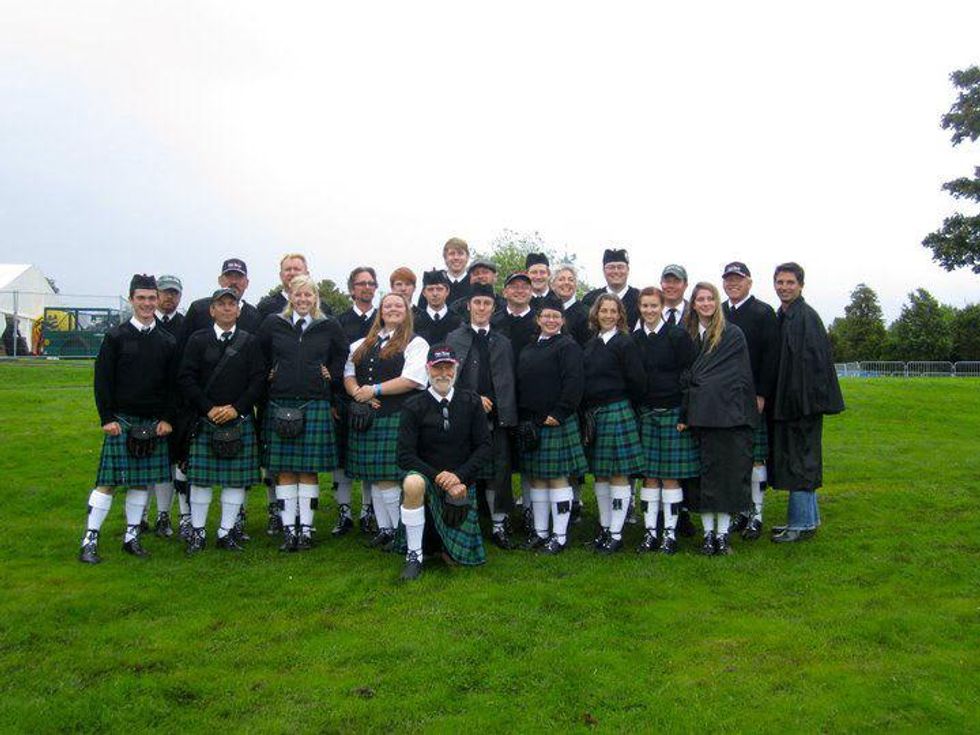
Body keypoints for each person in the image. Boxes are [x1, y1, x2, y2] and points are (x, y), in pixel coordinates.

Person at [78, 274, 177, 563]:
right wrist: (106, 417)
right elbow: (102, 380)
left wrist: (167, 418)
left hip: (152, 422)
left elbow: (173, 386)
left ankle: (131, 537)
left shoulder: (167, 341)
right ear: (132, 299)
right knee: (108, 482)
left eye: (151, 298)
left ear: (157, 300)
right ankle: (89, 539)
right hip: (121, 421)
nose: (147, 303)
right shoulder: (116, 337)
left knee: (140, 483)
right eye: (141, 298)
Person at [258, 274, 349, 551]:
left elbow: (343, 354)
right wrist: (269, 373)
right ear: (290, 296)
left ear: (315, 297)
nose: (303, 299)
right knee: (285, 470)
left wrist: (330, 375)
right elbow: (259, 353)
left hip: (315, 401)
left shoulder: (328, 325)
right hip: (280, 401)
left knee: (308, 470)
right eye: (298, 295)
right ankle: (289, 530)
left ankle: (306, 530)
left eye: (308, 295)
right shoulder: (274, 324)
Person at [395, 345, 493, 580]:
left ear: (455, 369)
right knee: (412, 484)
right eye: (437, 368)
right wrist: (440, 477)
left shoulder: (470, 401)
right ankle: (415, 554)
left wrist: (459, 477)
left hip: (461, 481)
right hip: (427, 477)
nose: (443, 373)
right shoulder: (414, 405)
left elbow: (485, 446)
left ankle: (445, 549)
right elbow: (404, 455)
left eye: (448, 367)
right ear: (428, 369)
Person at [178, 288, 265, 553]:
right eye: (222, 304)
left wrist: (237, 408)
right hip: (206, 419)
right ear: (212, 310)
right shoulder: (197, 339)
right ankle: (198, 532)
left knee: (235, 481)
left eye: (232, 304)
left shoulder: (250, 341)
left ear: (238, 310)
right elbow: (186, 378)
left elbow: (258, 379)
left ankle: (226, 532)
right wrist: (208, 408)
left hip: (238, 418)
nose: (227, 308)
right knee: (201, 481)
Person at [343, 293, 429, 548]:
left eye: (398, 305)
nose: (392, 309)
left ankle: (400, 531)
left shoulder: (416, 343)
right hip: (369, 417)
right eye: (387, 305)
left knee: (388, 478)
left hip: (396, 417)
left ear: (407, 311)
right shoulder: (361, 343)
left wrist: (375, 390)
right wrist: (359, 393)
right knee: (375, 476)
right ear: (380, 311)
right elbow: (348, 374)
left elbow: (413, 380)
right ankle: (385, 530)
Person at [769, 262, 845, 543]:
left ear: (801, 285)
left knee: (800, 462)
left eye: (790, 282)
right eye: (780, 282)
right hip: (792, 403)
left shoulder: (805, 317)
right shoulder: (787, 314)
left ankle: (800, 524)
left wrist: (802, 404)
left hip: (802, 405)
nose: (784, 287)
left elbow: (811, 366)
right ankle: (808, 519)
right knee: (800, 459)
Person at [680, 282, 757, 556]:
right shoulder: (685, 334)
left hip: (725, 417)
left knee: (724, 479)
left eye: (709, 298)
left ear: (717, 302)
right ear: (693, 303)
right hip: (695, 417)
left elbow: (735, 376)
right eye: (699, 299)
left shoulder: (732, 334)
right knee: (701, 480)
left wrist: (699, 385)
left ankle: (722, 535)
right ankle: (707, 535)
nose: (705, 303)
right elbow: (681, 373)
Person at [446, 282, 519, 549]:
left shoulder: (503, 342)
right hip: (464, 415)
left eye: (487, 303)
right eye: (477, 302)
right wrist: (473, 399)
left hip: (497, 416)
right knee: (466, 471)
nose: (481, 307)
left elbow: (509, 379)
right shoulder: (454, 338)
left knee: (497, 472)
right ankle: (466, 523)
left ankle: (499, 527)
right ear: (469, 306)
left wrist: (505, 410)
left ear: (493, 307)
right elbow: (446, 378)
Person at [515, 295, 587, 554]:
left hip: (556, 422)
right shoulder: (530, 347)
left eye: (556, 316)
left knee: (556, 479)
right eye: (546, 316)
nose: (551, 320)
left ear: (562, 320)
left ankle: (559, 536)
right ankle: (540, 532)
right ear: (538, 319)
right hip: (532, 422)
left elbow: (574, 383)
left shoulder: (568, 346)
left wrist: (560, 412)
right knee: (537, 480)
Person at [633, 287, 698, 554]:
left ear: (662, 306)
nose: (649, 310)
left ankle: (670, 534)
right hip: (647, 413)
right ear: (639, 308)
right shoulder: (635, 338)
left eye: (653, 306)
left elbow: (691, 375)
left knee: (671, 477)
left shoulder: (677, 335)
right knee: (649, 476)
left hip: (673, 413)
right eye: (645, 306)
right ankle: (650, 533)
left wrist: (686, 412)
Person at [582, 294, 646, 554]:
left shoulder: (624, 343)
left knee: (618, 474)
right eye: (603, 310)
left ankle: (617, 533)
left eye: (613, 311)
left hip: (618, 410)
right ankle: (605, 528)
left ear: (620, 315)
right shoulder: (592, 344)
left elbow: (638, 381)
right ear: (596, 314)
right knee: (601, 473)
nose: (608, 315)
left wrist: (627, 406)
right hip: (596, 414)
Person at [721, 262, 779, 540]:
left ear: (749, 282)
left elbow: (771, 357)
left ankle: (756, 514)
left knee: (755, 457)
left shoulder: (763, 312)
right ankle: (740, 511)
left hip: (751, 397)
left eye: (738, 279)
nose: (733, 283)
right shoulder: (719, 311)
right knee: (734, 458)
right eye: (729, 279)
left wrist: (762, 393)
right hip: (724, 399)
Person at [332, 266, 381, 535]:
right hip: (345, 397)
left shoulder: (381, 320)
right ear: (352, 288)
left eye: (371, 283)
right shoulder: (338, 322)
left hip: (375, 399)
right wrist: (335, 400)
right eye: (361, 284)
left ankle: (368, 510)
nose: (366, 288)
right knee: (343, 457)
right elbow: (333, 363)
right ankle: (344, 512)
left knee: (370, 457)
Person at [149, 273, 185, 539]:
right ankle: (138, 518)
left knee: (171, 460)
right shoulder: (145, 323)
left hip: (177, 403)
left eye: (174, 293)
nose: (169, 297)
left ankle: (164, 515)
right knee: (145, 458)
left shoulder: (186, 325)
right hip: (146, 401)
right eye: (165, 292)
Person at [179, 258, 262, 341]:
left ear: (247, 283)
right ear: (220, 280)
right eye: (229, 276)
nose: (233, 281)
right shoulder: (198, 309)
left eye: (239, 277)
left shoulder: (254, 316)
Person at [257, 253, 333, 319]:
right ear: (281, 275)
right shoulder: (266, 307)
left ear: (307, 274)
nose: (292, 273)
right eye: (288, 269)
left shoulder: (322, 309)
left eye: (297, 269)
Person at [582, 248, 640, 329]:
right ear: (603, 270)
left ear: (628, 270)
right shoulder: (590, 299)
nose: (616, 271)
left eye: (620, 267)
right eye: (611, 267)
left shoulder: (640, 298)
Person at [491, 271, 538, 362]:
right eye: (514, 287)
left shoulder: (540, 322)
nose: (520, 291)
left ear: (531, 292)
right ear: (504, 292)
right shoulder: (493, 322)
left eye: (525, 287)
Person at [418, 237, 472, 310]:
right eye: (452, 254)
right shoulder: (433, 283)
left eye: (460, 253)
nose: (456, 258)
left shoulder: (474, 283)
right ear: (445, 258)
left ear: (467, 257)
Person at [413, 269, 462, 345]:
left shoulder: (458, 321)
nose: (435, 294)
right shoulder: (415, 322)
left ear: (447, 291)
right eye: (430, 289)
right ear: (423, 293)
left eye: (439, 289)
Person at [551, 263, 589, 346]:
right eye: (561, 279)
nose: (566, 283)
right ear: (553, 285)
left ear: (576, 285)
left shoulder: (586, 314)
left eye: (571, 280)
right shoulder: (546, 311)